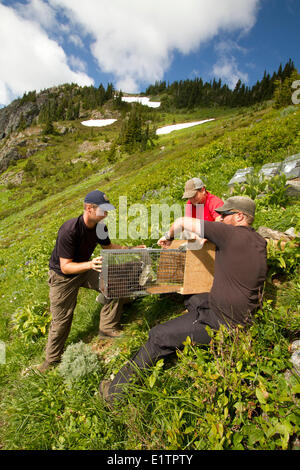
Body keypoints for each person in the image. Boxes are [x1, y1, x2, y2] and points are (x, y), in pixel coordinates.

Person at [99, 196, 267, 404]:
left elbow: (181, 222)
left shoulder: (230, 234)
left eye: (225, 215)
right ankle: (190, 318)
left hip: (223, 321)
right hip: (237, 313)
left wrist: (168, 236)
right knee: (194, 296)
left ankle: (115, 394)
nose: (220, 219)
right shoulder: (258, 241)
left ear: (240, 216)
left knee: (158, 336)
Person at [38, 190, 145, 373]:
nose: (107, 214)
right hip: (63, 277)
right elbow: (65, 267)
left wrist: (132, 248)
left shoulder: (100, 227)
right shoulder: (69, 230)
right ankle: (51, 361)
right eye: (103, 210)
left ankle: (107, 328)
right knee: (62, 320)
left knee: (114, 285)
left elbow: (109, 247)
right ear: (89, 208)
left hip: (87, 268)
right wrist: (90, 264)